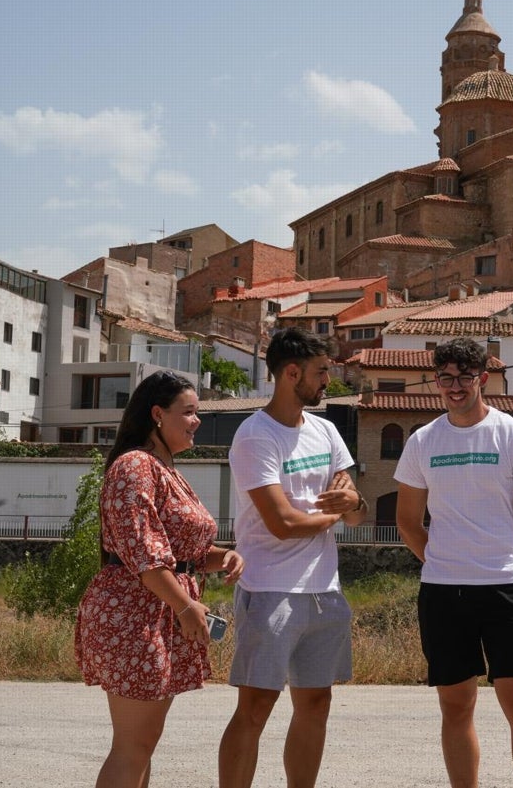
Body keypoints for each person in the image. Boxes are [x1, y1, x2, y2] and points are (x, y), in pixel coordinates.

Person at [394, 336, 513, 788]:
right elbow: (408, 522)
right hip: (444, 591)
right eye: (445, 378)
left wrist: (498, 558)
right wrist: (444, 561)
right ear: (436, 381)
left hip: (508, 587)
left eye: (465, 377)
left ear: (483, 379)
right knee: (456, 705)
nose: (455, 386)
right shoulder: (423, 441)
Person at [75, 370, 245, 788]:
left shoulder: (163, 468)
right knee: (133, 745)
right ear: (157, 414)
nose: (197, 421)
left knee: (142, 744)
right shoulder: (135, 466)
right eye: (188, 412)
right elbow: (143, 554)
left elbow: (175, 552)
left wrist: (221, 558)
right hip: (135, 615)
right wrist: (186, 606)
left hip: (155, 612)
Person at [218, 327, 367, 788]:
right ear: (291, 373)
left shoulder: (325, 430)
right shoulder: (255, 437)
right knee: (255, 708)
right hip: (270, 592)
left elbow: (356, 510)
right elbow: (281, 523)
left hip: (325, 591)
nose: (330, 381)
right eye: (322, 372)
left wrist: (351, 507)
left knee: (316, 704)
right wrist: (334, 516)